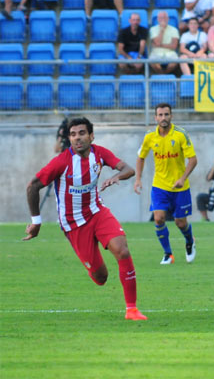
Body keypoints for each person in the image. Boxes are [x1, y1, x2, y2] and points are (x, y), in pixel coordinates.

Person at [24, 117, 147, 321]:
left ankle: (132, 310)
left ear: (91, 135)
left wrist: (117, 177)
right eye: (73, 135)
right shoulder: (62, 161)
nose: (77, 138)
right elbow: (33, 186)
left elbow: (128, 169)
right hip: (73, 224)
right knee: (101, 278)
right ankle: (92, 262)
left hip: (97, 212)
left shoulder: (99, 153)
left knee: (122, 250)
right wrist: (36, 221)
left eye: (81, 133)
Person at [134, 103, 198, 265]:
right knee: (159, 219)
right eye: (160, 115)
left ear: (171, 116)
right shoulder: (149, 136)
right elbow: (141, 157)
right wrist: (138, 179)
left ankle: (190, 241)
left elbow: (193, 160)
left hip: (180, 187)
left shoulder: (180, 134)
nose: (163, 118)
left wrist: (182, 178)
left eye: (166, 114)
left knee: (180, 222)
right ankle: (168, 254)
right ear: (155, 117)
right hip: (160, 186)